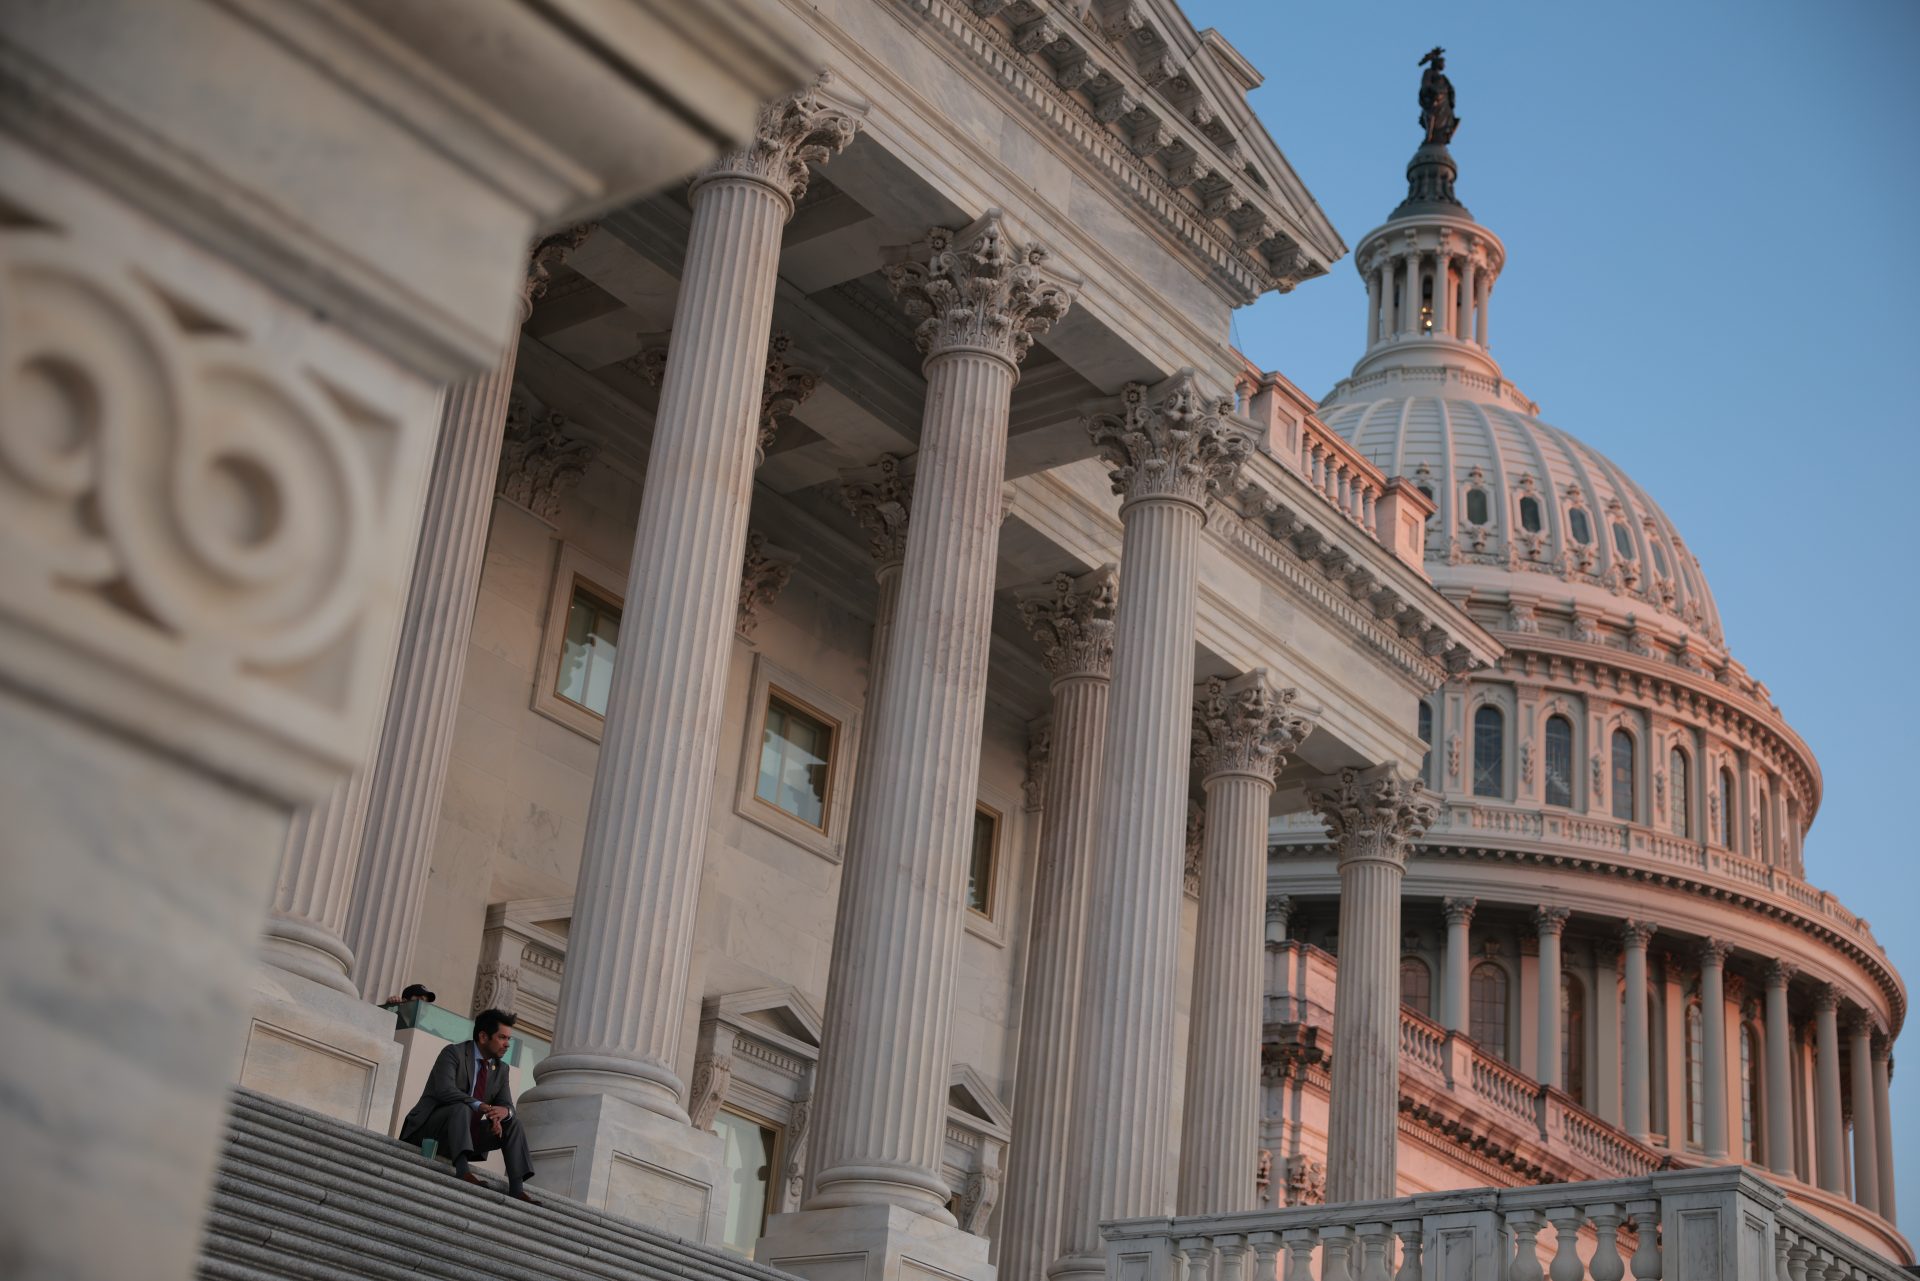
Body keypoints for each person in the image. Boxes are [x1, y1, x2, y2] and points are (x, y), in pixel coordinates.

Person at [398, 1008, 539, 1204]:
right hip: (430, 1130)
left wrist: (502, 1113)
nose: (507, 1044)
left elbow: (507, 1104)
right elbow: (445, 1090)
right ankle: (463, 1170)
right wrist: (480, 1106)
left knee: (512, 1123)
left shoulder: (501, 1069)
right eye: (502, 1037)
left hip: (466, 1136)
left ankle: (516, 1188)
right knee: (462, 1106)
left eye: (509, 1039)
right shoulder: (453, 1053)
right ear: (483, 1036)